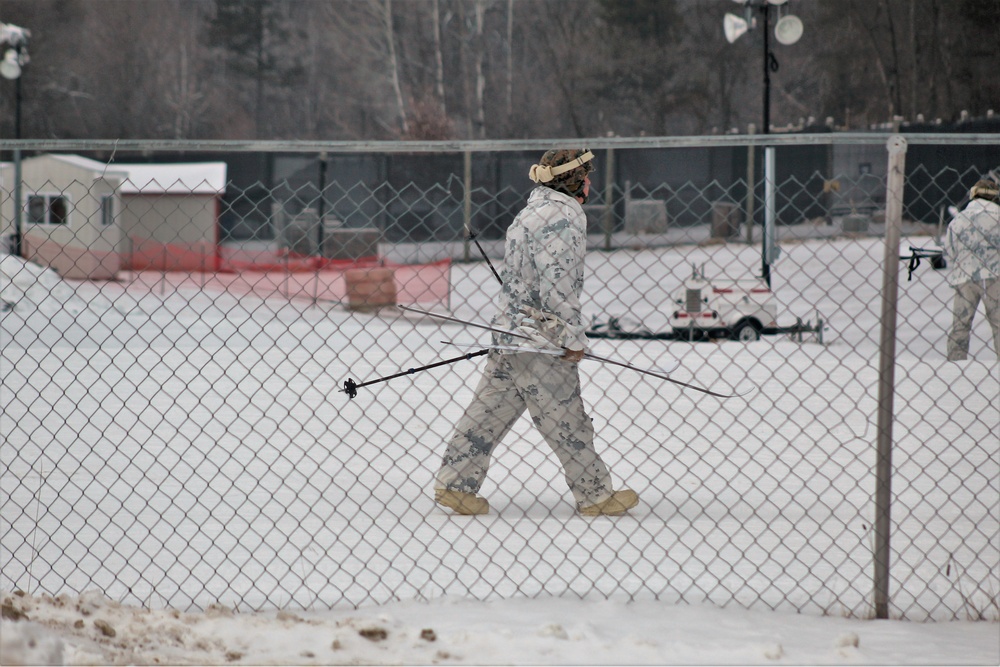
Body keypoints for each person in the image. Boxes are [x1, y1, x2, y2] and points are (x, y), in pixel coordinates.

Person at [433, 148, 639, 517]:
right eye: (586, 175)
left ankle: (455, 483)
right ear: (571, 181)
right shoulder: (562, 217)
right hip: (543, 340)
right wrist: (571, 338)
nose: (591, 182)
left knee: (487, 412)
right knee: (567, 417)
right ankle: (595, 496)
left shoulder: (530, 212)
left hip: (511, 335)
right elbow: (558, 284)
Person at [944, 178, 1000, 361]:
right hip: (996, 275)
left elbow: (950, 251)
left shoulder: (959, 219)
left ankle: (955, 361)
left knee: (960, 325)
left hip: (964, 277)